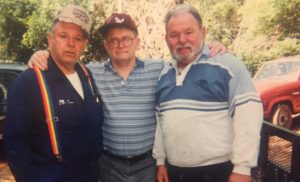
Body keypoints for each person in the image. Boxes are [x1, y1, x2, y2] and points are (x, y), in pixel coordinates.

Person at [28, 12, 227, 182]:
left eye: (126, 39)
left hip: (147, 165)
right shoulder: (90, 73)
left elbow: (187, 56)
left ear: (137, 42)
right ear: (106, 45)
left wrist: (210, 48)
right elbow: (64, 63)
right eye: (113, 40)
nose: (120, 44)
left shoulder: (159, 69)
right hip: (109, 165)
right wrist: (43, 54)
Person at [153, 4, 264, 182]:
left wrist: (242, 169)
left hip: (219, 172)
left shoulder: (227, 65)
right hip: (175, 172)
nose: (182, 40)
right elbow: (161, 124)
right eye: (174, 35)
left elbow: (248, 116)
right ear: (166, 39)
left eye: (188, 32)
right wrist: (161, 161)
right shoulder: (164, 75)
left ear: (203, 32)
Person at [3, 4, 103, 182]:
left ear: (85, 44)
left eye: (78, 38)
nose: (71, 44)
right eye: (63, 36)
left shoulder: (88, 77)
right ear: (50, 39)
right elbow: (15, 145)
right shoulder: (29, 83)